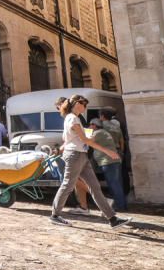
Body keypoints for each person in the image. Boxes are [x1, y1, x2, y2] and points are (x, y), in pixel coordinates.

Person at [50, 94, 129, 228]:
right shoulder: (73, 118)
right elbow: (85, 140)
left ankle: (113, 219)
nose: (85, 107)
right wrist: (108, 151)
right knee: (68, 185)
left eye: (86, 104)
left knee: (95, 187)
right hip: (75, 155)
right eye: (83, 104)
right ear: (76, 104)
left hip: (81, 155)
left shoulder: (73, 118)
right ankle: (55, 215)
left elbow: (70, 139)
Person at [89, 117, 127, 212]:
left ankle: (120, 206)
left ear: (94, 125)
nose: (89, 127)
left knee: (114, 185)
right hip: (113, 161)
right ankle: (121, 205)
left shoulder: (98, 133)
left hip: (108, 161)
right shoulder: (104, 132)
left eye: (90, 125)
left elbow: (88, 142)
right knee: (116, 184)